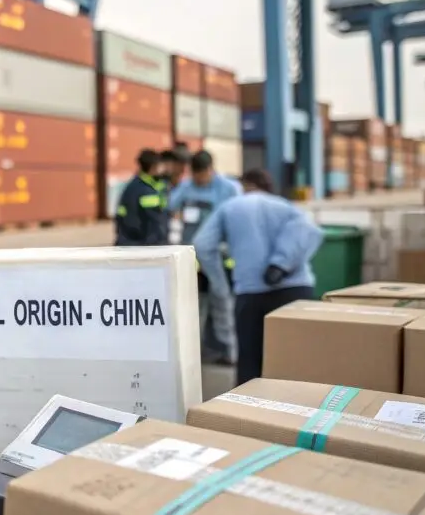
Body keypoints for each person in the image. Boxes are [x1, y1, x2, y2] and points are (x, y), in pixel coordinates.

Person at [192, 169, 324, 387]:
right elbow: (310, 230)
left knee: (250, 361)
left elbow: (203, 244)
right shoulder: (284, 206)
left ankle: (248, 414)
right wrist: (280, 264)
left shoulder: (230, 207)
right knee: (296, 361)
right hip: (294, 290)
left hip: (250, 294)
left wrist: (221, 284)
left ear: (245, 185)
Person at [169, 150, 242, 365]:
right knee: (192, 304)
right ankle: (193, 352)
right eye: (195, 175)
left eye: (201, 175)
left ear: (211, 169)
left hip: (218, 255)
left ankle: (229, 350)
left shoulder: (229, 189)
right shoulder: (186, 186)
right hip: (191, 256)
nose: (198, 180)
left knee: (222, 300)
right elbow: (171, 206)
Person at [114, 148, 168, 246]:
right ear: (153, 167)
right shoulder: (147, 192)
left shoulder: (132, 186)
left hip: (127, 242)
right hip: (143, 245)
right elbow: (155, 223)